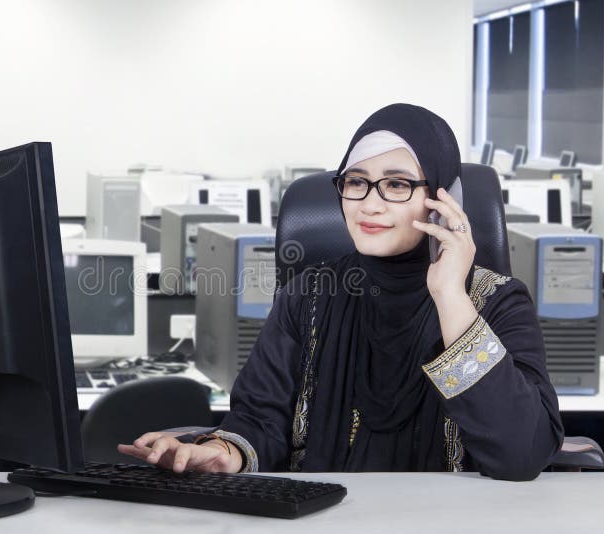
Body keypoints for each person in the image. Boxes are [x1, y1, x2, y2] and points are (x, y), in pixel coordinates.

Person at [118, 103, 564, 481]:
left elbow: (521, 452)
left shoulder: (494, 301)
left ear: (446, 199)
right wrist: (223, 453)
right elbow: (259, 421)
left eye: (397, 184)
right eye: (356, 181)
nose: (370, 203)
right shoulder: (308, 296)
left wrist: (450, 296)